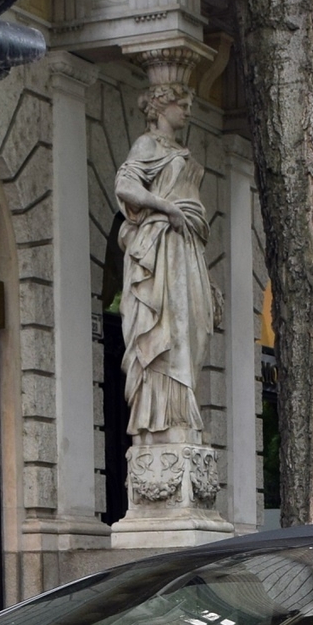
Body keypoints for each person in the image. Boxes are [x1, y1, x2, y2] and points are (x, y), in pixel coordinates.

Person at [114, 82, 217, 443]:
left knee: (194, 329)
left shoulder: (180, 150)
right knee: (163, 330)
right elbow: (125, 186)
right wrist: (166, 207)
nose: (187, 111)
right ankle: (159, 419)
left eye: (188, 104)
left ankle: (182, 412)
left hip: (186, 247)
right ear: (160, 107)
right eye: (181, 104)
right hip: (161, 247)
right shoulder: (147, 145)